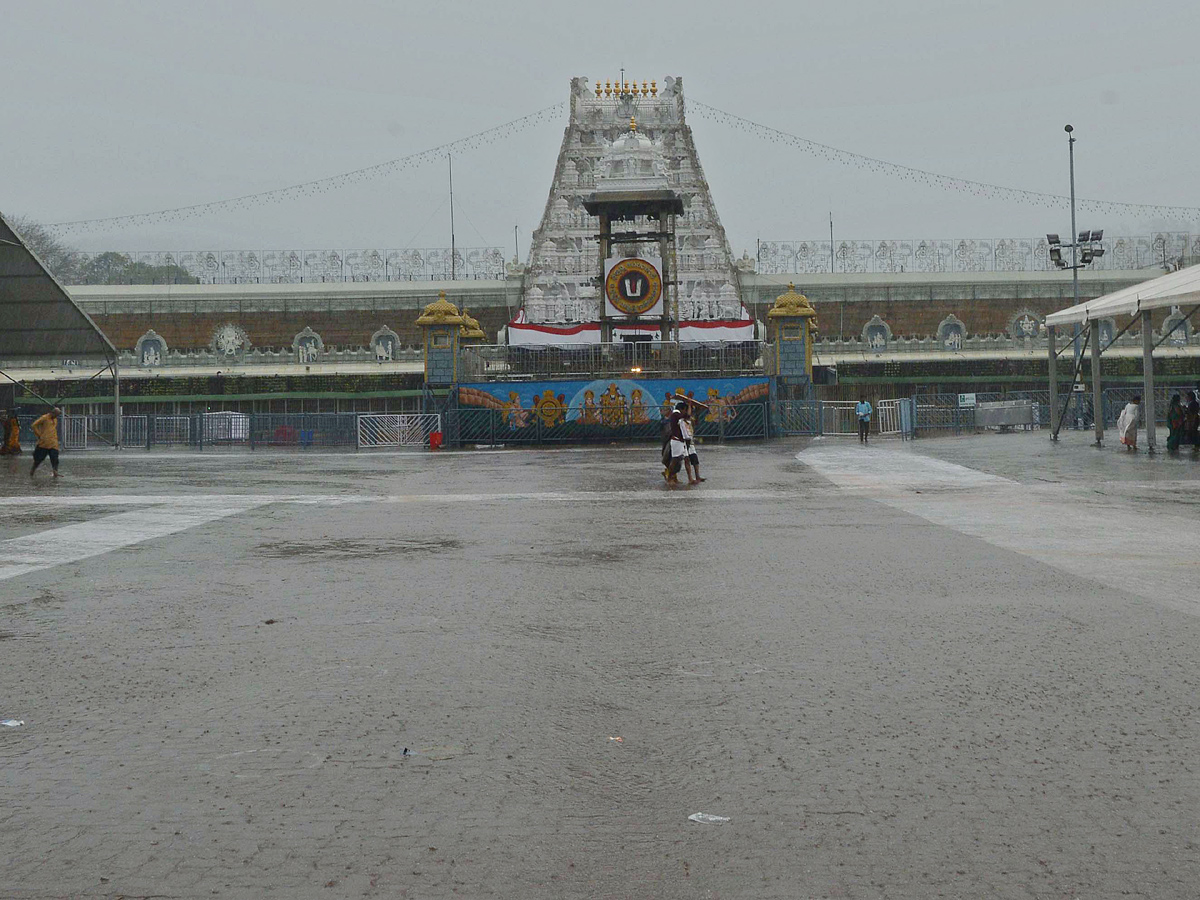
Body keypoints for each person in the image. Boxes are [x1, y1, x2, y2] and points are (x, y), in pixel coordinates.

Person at [29, 407, 61, 479]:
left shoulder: (55, 419)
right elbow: (34, 425)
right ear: (53, 413)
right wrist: (39, 435)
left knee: (55, 458)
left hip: (53, 443)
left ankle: (55, 472)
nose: (56, 417)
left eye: (57, 415)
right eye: (56, 415)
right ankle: (32, 471)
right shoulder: (44, 418)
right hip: (44, 443)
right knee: (38, 459)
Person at [663, 401, 688, 486]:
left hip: (680, 441)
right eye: (685, 410)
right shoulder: (675, 414)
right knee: (674, 460)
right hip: (676, 441)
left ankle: (673, 476)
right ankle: (670, 477)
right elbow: (685, 415)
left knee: (679, 460)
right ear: (682, 409)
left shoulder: (677, 416)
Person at [680, 402, 704, 485]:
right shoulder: (682, 419)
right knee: (687, 460)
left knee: (695, 459)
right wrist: (690, 404)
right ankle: (690, 478)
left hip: (690, 442)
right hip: (684, 441)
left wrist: (697, 413)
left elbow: (696, 422)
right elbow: (689, 416)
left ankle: (697, 476)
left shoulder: (689, 419)